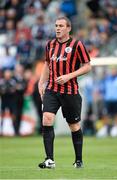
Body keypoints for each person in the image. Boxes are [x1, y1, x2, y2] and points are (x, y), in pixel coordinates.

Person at [38, 16, 91, 169]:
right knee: (47, 119)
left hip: (70, 91)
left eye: (61, 25)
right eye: (56, 25)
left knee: (73, 125)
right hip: (52, 90)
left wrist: (69, 76)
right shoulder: (50, 45)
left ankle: (79, 160)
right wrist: (41, 82)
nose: (58, 28)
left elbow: (87, 66)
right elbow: (47, 64)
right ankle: (49, 160)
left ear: (68, 28)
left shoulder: (77, 45)